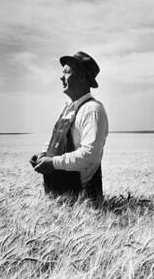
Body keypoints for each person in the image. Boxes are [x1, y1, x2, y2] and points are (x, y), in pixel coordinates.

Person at [31, 51, 108, 205]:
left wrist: (52, 163)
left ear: (81, 77)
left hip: (83, 201)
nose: (61, 77)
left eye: (66, 72)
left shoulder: (92, 110)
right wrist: (43, 155)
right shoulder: (68, 109)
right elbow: (53, 142)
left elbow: (89, 155)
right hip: (58, 198)